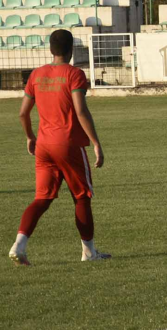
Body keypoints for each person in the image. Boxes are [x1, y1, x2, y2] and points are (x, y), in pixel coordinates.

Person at [9, 30, 109, 266]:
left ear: (51, 49)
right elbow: (80, 110)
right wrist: (95, 142)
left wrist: (30, 137)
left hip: (43, 145)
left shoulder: (36, 75)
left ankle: (19, 245)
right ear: (71, 49)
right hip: (68, 145)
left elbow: (23, 113)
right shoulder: (74, 74)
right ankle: (89, 252)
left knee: (41, 199)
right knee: (82, 196)